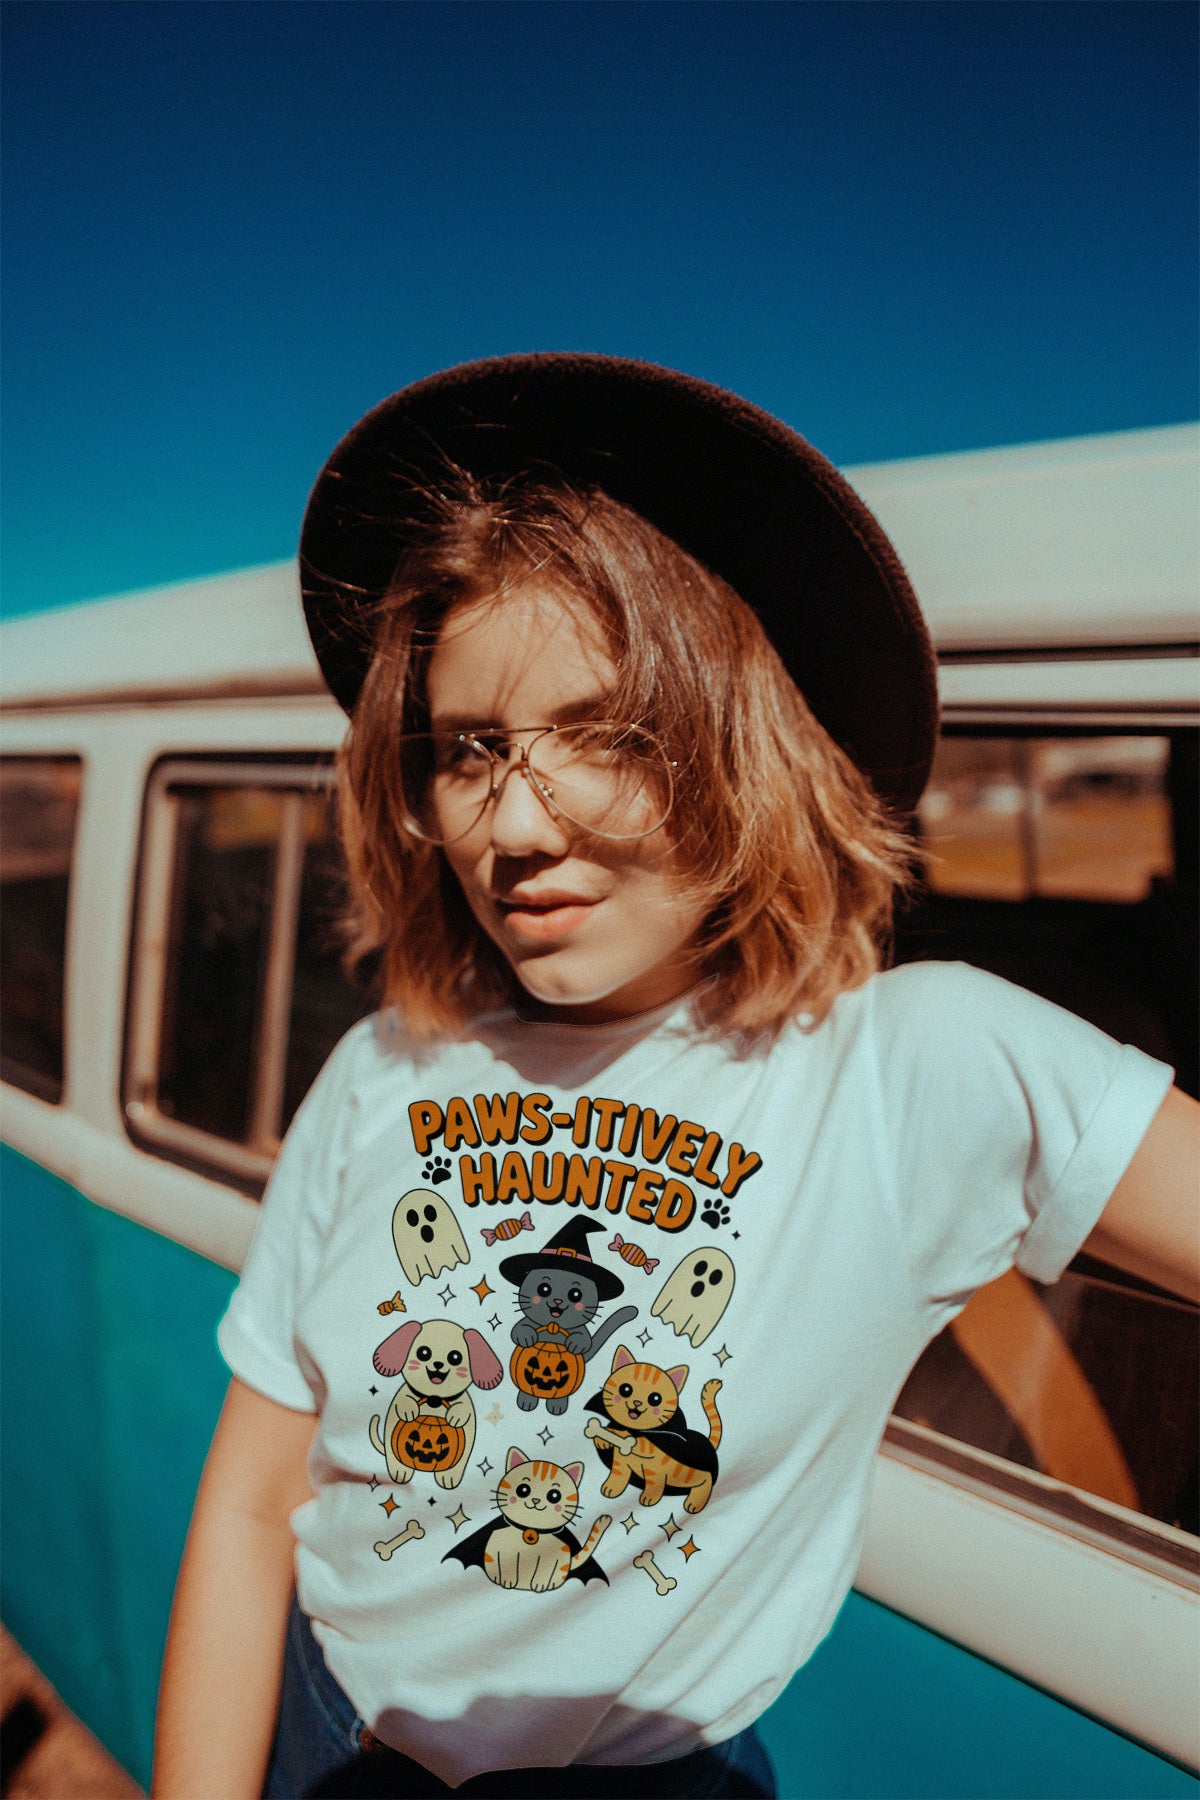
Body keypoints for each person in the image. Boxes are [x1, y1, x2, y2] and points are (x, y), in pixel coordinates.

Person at [152, 354, 1199, 1800]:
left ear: (739, 744)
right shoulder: (383, 1069)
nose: (515, 826)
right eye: (468, 751)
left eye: (602, 734)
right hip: (326, 1735)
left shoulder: (918, 1066)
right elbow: (256, 1495)